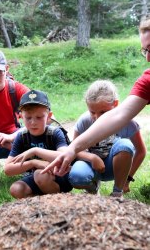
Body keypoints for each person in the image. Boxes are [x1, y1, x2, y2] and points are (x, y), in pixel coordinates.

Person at [43, 19, 150, 178]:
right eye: (145, 50)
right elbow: (118, 115)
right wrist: (73, 149)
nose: (147, 58)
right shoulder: (147, 81)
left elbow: (140, 151)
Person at [68, 80, 146, 197]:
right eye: (92, 112)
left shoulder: (127, 123)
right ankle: (92, 188)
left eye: (103, 112)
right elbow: (74, 149)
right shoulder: (84, 121)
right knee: (77, 177)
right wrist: (92, 157)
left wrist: (128, 178)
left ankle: (117, 192)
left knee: (125, 145)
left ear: (115, 104)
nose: (97, 117)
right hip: (91, 165)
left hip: (115, 167)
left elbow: (141, 151)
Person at [4, 90, 73, 199]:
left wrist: (35, 150)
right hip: (37, 176)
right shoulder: (22, 136)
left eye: (39, 117)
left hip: (59, 176)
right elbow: (8, 169)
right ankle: (41, 204)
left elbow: (64, 157)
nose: (33, 122)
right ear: (21, 116)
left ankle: (59, 201)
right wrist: (33, 163)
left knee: (40, 175)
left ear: (49, 116)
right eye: (28, 118)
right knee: (16, 189)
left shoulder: (55, 133)